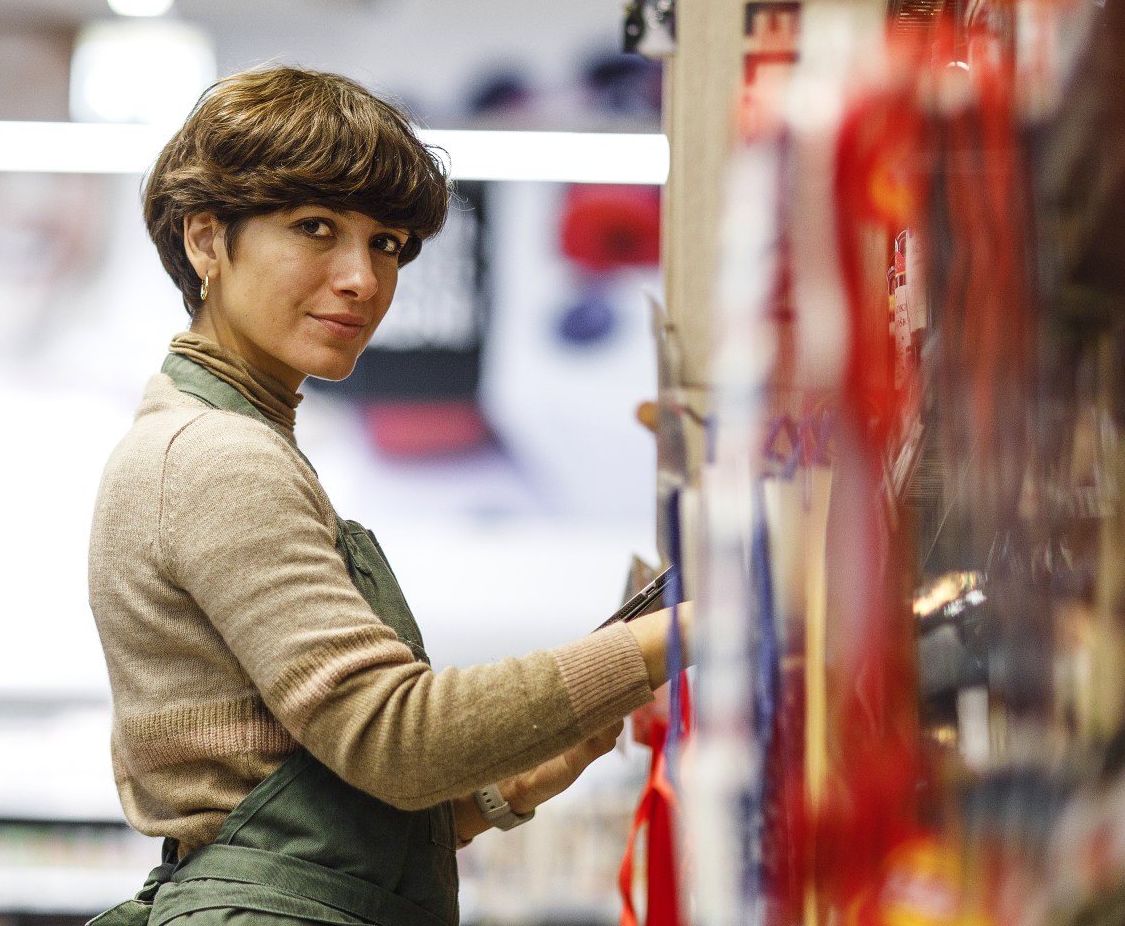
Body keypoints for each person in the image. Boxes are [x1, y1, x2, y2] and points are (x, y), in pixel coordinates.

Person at [88, 66, 691, 926]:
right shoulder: (215, 455)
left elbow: (325, 815)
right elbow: (397, 740)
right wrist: (683, 634)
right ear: (205, 241)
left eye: (387, 244)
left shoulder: (230, 444)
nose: (363, 279)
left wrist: (516, 783)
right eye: (315, 228)